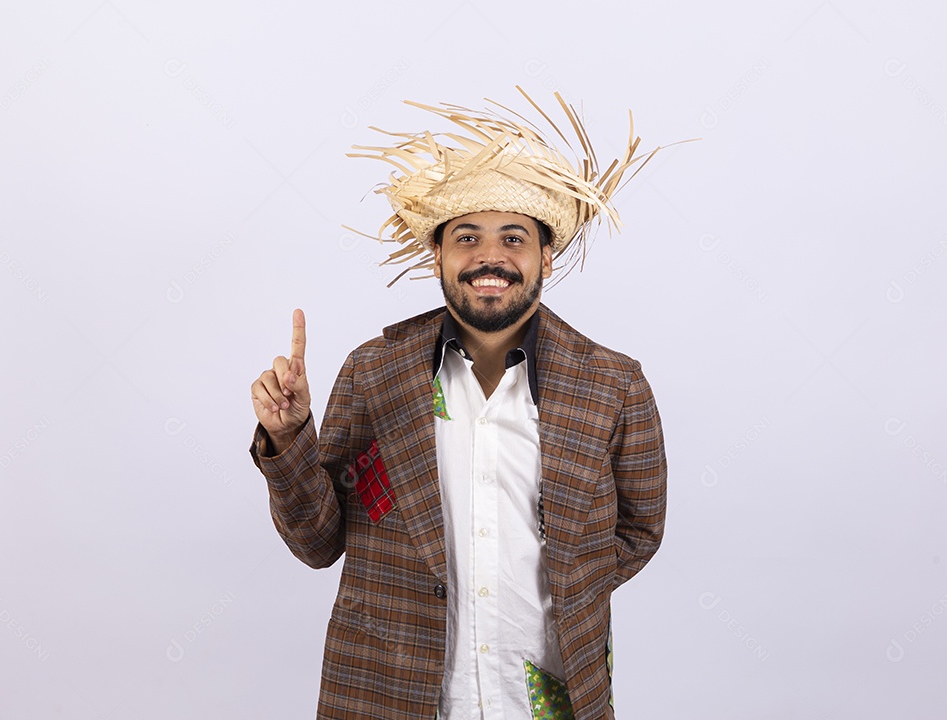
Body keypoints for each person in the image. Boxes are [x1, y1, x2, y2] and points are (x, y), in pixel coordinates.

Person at [248, 89, 668, 720]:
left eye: (513, 237)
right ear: (438, 254)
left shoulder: (613, 385)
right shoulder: (375, 372)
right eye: (467, 236)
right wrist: (289, 438)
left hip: (548, 702)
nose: (489, 257)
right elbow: (318, 541)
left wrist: (563, 583)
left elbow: (638, 532)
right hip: (391, 698)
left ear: (545, 255)